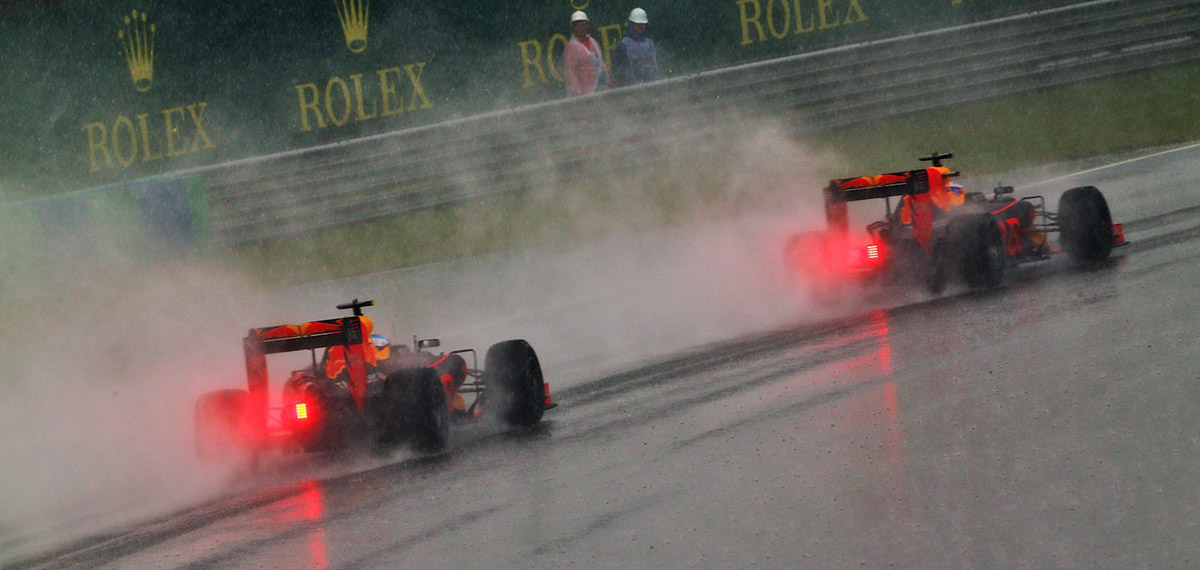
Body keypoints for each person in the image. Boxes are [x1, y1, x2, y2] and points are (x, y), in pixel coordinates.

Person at [563, 10, 609, 96]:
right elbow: (571, 73)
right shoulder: (571, 48)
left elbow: (601, 63)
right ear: (573, 28)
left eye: (583, 24)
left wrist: (608, 80)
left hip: (601, 90)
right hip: (585, 94)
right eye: (578, 25)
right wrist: (579, 95)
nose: (581, 28)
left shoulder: (593, 42)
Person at [613, 8, 659, 87]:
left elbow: (654, 67)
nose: (641, 27)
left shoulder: (649, 44)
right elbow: (617, 68)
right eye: (638, 24)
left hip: (651, 86)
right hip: (632, 88)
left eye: (642, 24)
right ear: (632, 25)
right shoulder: (624, 45)